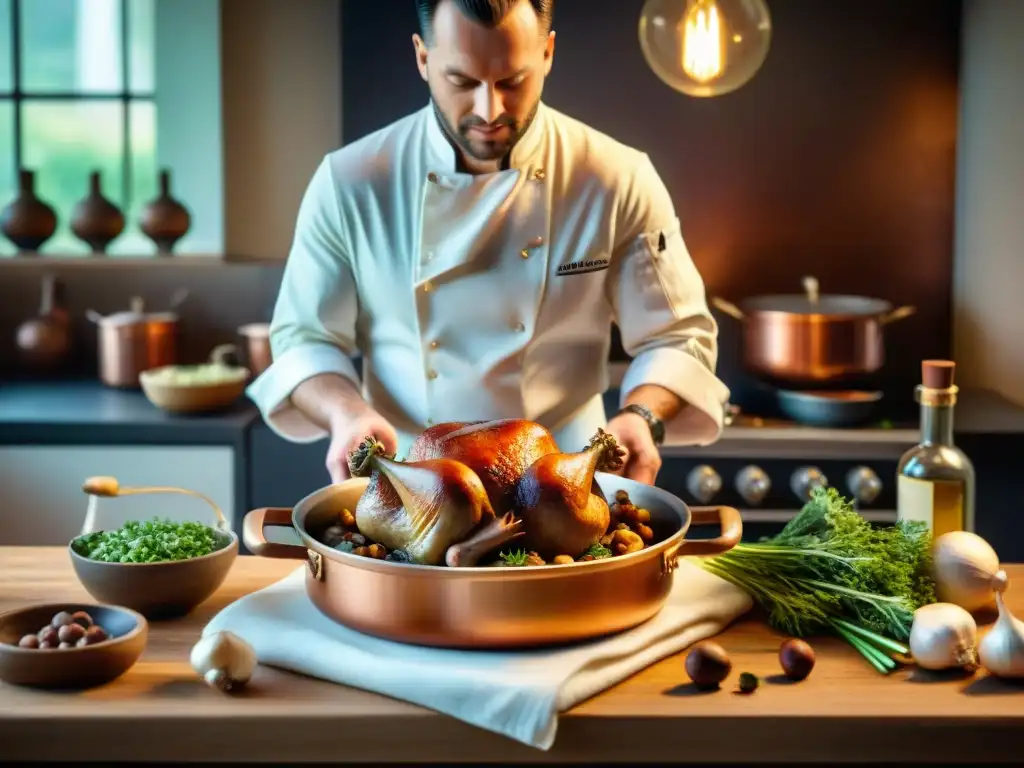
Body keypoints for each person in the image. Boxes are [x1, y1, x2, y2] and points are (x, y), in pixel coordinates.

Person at [246, 0, 730, 486]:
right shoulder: (350, 182)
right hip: (410, 483)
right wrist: (346, 414)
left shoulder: (614, 178)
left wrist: (642, 417)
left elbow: (676, 335)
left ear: (548, 54)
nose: (489, 110)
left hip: (569, 479)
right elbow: (305, 342)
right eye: (462, 82)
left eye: (511, 81)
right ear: (422, 58)